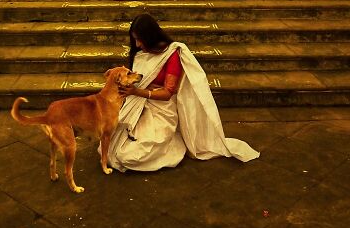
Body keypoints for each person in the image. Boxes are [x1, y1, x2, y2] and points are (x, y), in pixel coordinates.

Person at [106, 14, 259, 172]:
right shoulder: (141, 53)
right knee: (112, 150)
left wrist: (137, 91)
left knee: (131, 157)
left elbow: (167, 94)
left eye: (140, 39)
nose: (137, 44)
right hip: (138, 107)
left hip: (161, 110)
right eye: (135, 40)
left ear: (150, 36)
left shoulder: (171, 54)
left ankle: (174, 144)